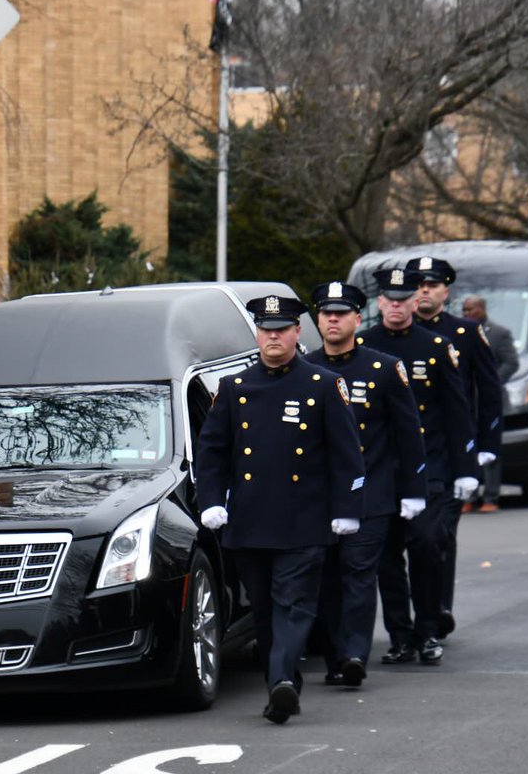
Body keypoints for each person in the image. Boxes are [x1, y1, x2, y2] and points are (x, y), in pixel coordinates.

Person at [195, 294, 365, 724]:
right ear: (257, 334)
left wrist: (347, 507)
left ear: (295, 333)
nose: (273, 336)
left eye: (282, 329)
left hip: (303, 520)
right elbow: (211, 452)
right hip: (250, 521)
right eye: (266, 329)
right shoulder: (234, 388)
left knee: (294, 603)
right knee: (267, 613)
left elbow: (347, 453)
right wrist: (212, 501)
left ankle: (283, 682)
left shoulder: (323, 385)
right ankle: (282, 683)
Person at [305, 282, 427, 689]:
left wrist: (413, 490)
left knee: (359, 574)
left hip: (371, 493)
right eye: (326, 313)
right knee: (326, 579)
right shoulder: (304, 369)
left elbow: (409, 434)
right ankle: (335, 655)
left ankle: (355, 654)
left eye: (342, 313)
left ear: (358, 319)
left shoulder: (383, 369)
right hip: (318, 497)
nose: (333, 320)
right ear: (317, 320)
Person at [359, 268, 477, 666]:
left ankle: (428, 628)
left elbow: (457, 412)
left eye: (403, 298)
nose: (396, 306)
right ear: (378, 303)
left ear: (415, 301)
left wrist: (466, 467)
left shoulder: (436, 346)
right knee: (387, 556)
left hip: (430, 466)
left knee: (427, 544)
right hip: (382, 468)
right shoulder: (364, 346)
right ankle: (400, 635)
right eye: (389, 299)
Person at [407, 255, 503, 635]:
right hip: (405, 450)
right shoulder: (398, 335)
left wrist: (485, 445)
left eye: (432, 285)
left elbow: (489, 392)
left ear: (446, 291)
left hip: (450, 451)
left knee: (439, 535)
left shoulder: (464, 333)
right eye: (418, 285)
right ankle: (419, 614)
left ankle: (439, 607)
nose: (424, 291)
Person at [463, 294, 519, 513]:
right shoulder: (462, 334)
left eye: (471, 309)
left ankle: (491, 497)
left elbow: (511, 362)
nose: (467, 314)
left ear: (483, 309)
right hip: (467, 400)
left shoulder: (499, 333)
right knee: (468, 447)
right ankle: (469, 496)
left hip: (490, 400)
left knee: (490, 448)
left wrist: (492, 381)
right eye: (465, 310)